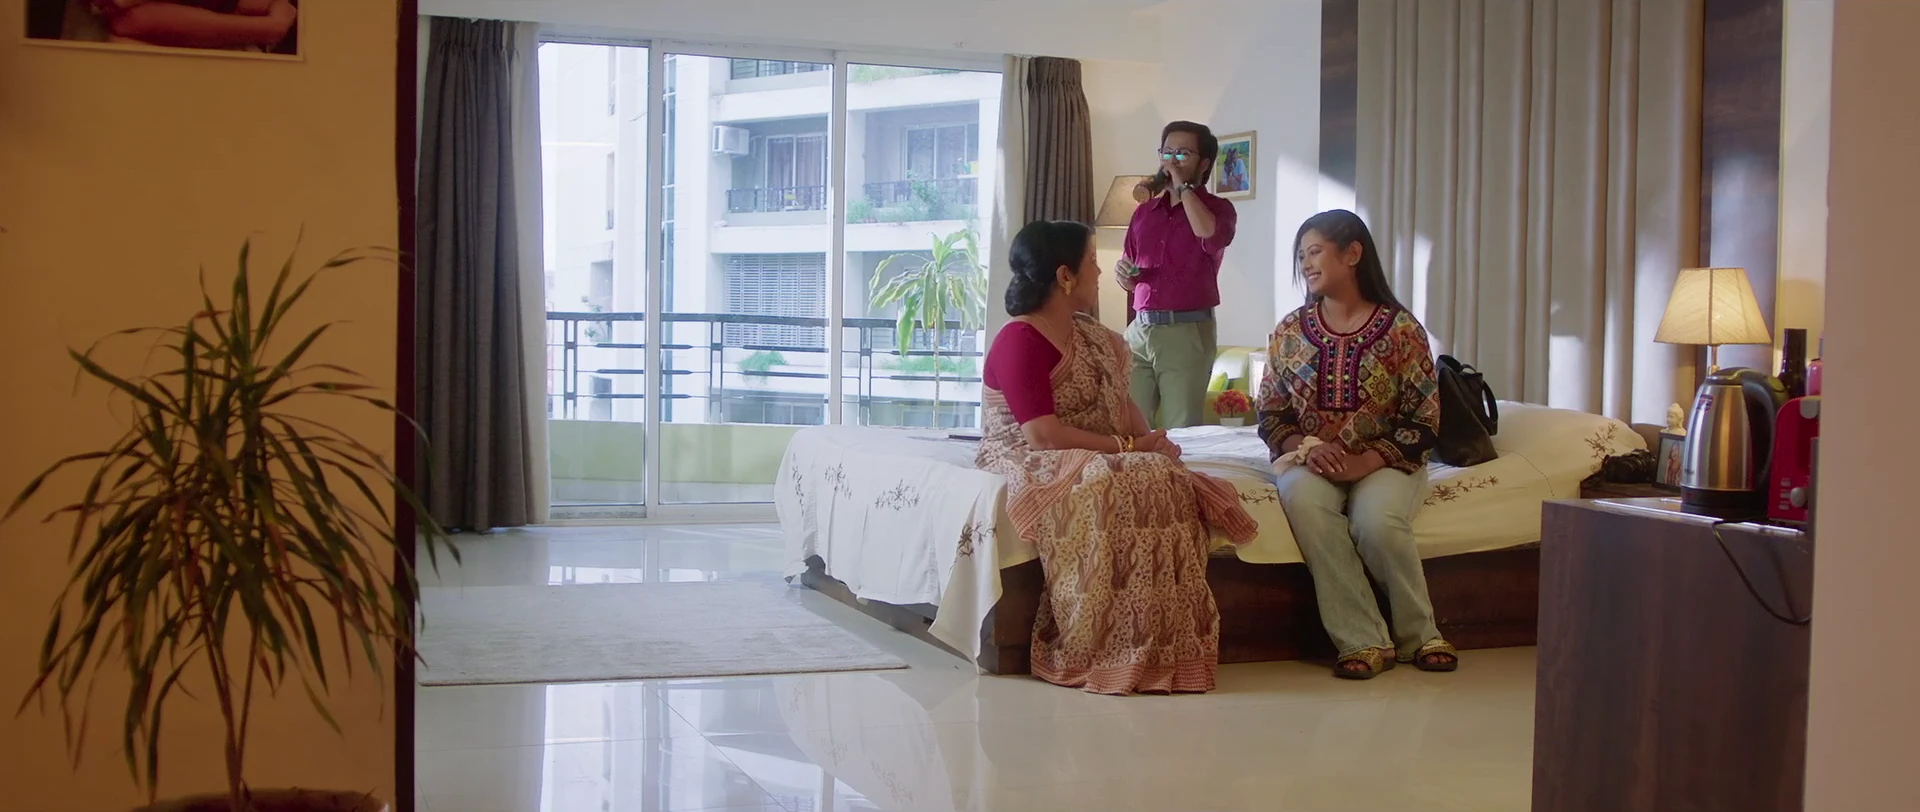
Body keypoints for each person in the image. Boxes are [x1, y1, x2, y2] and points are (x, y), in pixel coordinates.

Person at [977, 220, 1258, 695]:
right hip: (1031, 454)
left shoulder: (1095, 337)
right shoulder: (1020, 339)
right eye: (1091, 261)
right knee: (1107, 481)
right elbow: (1042, 436)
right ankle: (1097, 643)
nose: (1100, 271)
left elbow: (1122, 406)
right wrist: (1129, 449)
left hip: (1097, 449)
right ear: (1065, 276)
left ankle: (1160, 645)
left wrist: (1151, 442)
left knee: (1162, 475)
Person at [1255, 209, 1457, 680]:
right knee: (1306, 505)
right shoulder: (1289, 331)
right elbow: (1270, 411)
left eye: (1315, 252)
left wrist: (1366, 461)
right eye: (1301, 256)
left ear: (1352, 254)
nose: (1306, 264)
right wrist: (1306, 445)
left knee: (1376, 521)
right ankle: (1362, 640)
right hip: (1310, 457)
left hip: (1386, 459)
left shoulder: (1402, 330)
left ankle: (1420, 634)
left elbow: (1424, 417)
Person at [1118, 121, 1238, 429]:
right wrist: (1125, 276)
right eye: (1167, 152)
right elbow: (1130, 266)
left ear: (1204, 163)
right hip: (1139, 331)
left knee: (1181, 431)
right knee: (1130, 427)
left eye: (1182, 154)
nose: (1171, 161)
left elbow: (1209, 235)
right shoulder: (1143, 212)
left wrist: (1183, 188)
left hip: (1186, 331)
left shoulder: (1218, 209)